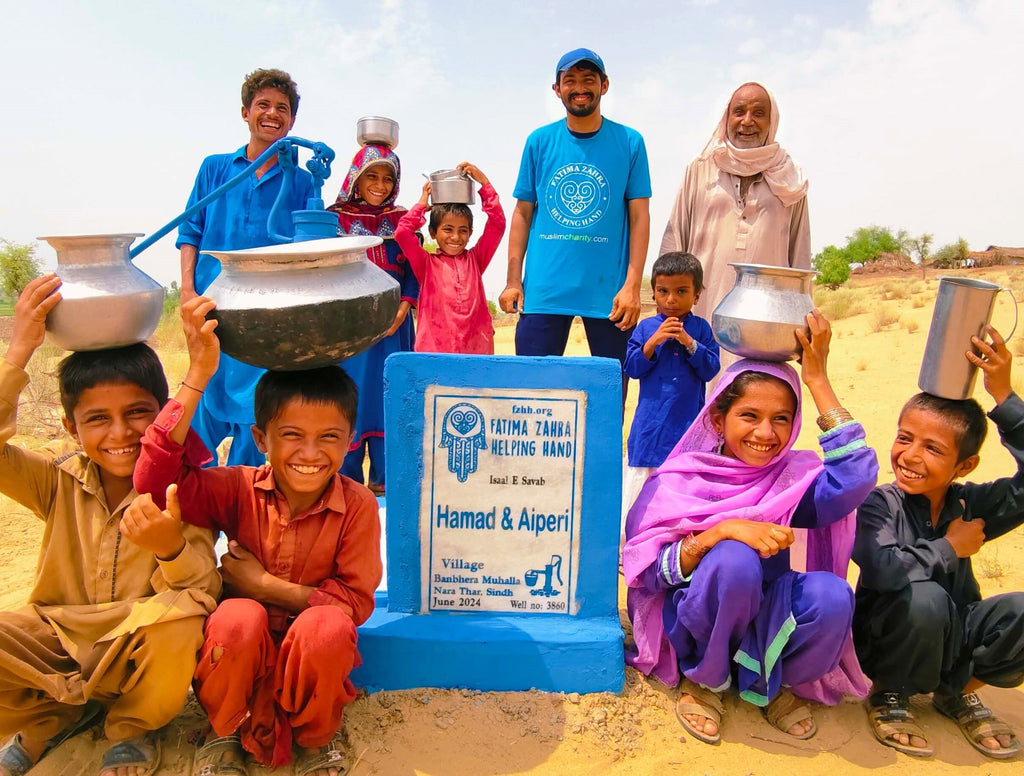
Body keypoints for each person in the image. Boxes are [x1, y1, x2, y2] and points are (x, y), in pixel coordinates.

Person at [132, 297, 382, 776]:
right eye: (291, 435)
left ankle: (316, 736)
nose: (311, 453)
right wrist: (198, 375)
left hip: (313, 660)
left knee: (326, 628)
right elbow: (153, 482)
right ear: (261, 438)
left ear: (351, 439)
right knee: (235, 618)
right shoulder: (237, 487)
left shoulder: (357, 505)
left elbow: (353, 605)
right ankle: (226, 731)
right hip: (240, 656)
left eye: (329, 437)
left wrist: (266, 586)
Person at [0, 275, 220, 776]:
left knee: (181, 623)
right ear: (70, 428)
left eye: (138, 413)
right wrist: (18, 353)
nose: (120, 433)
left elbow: (205, 589)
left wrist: (169, 547)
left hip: (135, 649)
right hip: (58, 638)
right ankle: (49, 717)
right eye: (97, 419)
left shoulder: (181, 487)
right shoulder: (54, 480)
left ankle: (133, 725)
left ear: (163, 415)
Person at [623, 310, 876, 745]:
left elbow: (855, 477)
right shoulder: (680, 479)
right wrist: (721, 532)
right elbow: (647, 574)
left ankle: (766, 681)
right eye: (750, 416)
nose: (766, 432)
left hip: (768, 614)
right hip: (696, 622)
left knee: (833, 596)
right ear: (718, 420)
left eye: (781, 418)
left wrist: (817, 380)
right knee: (734, 561)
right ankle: (706, 680)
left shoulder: (791, 481)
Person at [852, 325, 1024, 760]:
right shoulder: (879, 503)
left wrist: (1004, 396)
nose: (909, 457)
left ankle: (956, 694)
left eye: (933, 449)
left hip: (953, 634)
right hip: (890, 636)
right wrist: (949, 548)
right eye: (905, 438)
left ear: (964, 465)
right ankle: (890, 694)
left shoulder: (970, 504)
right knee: (923, 597)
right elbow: (882, 568)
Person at [176, 68, 314, 467]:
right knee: (203, 388)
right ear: (245, 112)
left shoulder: (302, 182)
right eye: (263, 105)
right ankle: (187, 491)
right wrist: (187, 290)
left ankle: (243, 501)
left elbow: (310, 245)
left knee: (259, 402)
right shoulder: (215, 169)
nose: (272, 114)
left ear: (292, 121)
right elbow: (190, 230)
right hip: (211, 305)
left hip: (266, 314)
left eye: (282, 109)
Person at [499, 48, 651, 399]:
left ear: (605, 85)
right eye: (570, 80)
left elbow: (639, 216)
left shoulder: (629, 142)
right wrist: (512, 281)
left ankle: (602, 458)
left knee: (609, 398)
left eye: (588, 79)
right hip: (544, 292)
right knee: (532, 397)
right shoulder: (539, 142)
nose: (579, 88)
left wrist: (631, 287)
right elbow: (522, 213)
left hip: (609, 296)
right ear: (557, 89)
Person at [660, 82, 810, 359]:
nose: (747, 121)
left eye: (758, 113)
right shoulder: (701, 166)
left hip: (767, 316)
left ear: (772, 120)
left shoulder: (790, 177)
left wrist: (802, 316)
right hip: (703, 304)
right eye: (738, 112)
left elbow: (799, 251)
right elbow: (675, 237)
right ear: (726, 117)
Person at [328, 143, 418, 492]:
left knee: (388, 399)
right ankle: (346, 488)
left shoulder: (403, 221)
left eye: (387, 178)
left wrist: (405, 305)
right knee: (350, 399)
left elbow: (413, 270)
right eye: (372, 176)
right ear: (355, 178)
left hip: (393, 331)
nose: (380, 185)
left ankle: (385, 487)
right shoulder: (334, 219)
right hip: (350, 334)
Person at [623, 251, 720, 511]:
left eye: (681, 291)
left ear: (696, 295)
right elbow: (632, 368)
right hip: (649, 430)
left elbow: (711, 369)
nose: (671, 299)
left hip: (687, 429)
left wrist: (689, 343)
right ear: (654, 292)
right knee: (638, 498)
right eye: (663, 291)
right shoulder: (645, 328)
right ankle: (630, 547)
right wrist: (653, 341)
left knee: (683, 493)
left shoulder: (701, 329)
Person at [394, 162, 506, 354]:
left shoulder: (476, 260)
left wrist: (483, 183)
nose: (456, 237)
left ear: (470, 233)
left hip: (476, 352)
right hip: (435, 353)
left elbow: (498, 223)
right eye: (447, 229)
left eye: (463, 230)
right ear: (432, 232)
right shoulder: (426, 264)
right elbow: (402, 233)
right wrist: (422, 204)